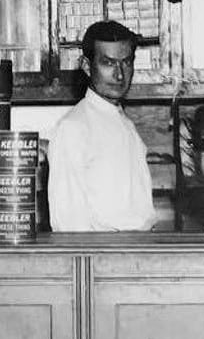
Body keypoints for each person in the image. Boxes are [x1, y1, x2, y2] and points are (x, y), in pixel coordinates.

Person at [47, 20, 156, 232]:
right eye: (108, 63)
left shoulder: (126, 124)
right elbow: (69, 227)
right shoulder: (73, 128)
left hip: (139, 246)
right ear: (87, 66)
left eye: (126, 62)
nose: (119, 75)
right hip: (106, 251)